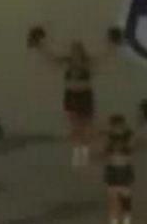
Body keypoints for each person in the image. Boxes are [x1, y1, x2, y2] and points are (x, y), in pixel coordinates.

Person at [32, 39, 110, 168]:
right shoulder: (67, 62)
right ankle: (77, 158)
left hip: (85, 98)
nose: (75, 54)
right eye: (73, 51)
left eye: (77, 51)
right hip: (71, 98)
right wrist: (41, 46)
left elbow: (103, 57)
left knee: (85, 129)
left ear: (82, 52)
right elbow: (51, 58)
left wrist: (111, 46)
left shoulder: (88, 63)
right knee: (75, 129)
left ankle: (83, 157)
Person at [100, 114, 137, 224]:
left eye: (119, 126)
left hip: (124, 172)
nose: (117, 128)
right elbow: (105, 153)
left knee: (126, 203)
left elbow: (131, 149)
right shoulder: (108, 138)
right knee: (114, 203)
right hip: (113, 173)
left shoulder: (128, 136)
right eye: (115, 126)